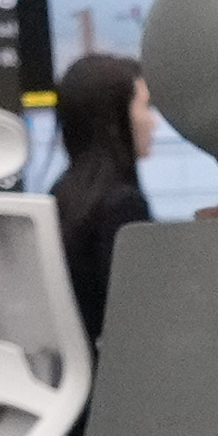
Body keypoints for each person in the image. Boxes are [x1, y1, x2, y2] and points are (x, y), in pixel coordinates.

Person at [43, 45, 151, 338]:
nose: (152, 121)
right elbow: (140, 314)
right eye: (144, 106)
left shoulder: (61, 195)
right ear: (115, 120)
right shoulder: (122, 205)